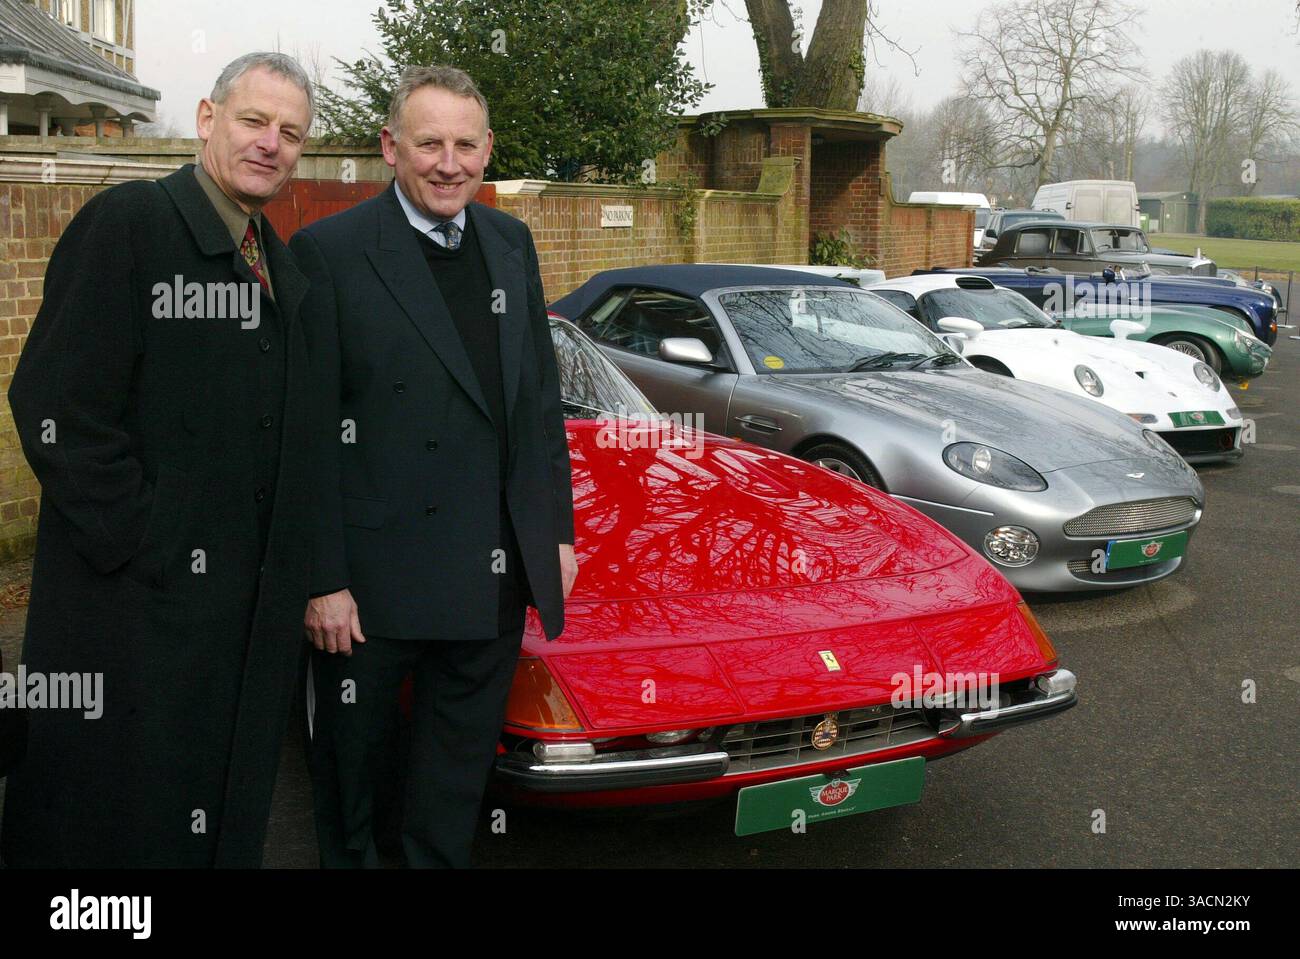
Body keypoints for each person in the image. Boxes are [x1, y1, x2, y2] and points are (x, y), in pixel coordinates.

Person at [1, 52, 316, 868]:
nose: (270, 144)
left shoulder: (278, 264)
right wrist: (150, 540)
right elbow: (54, 406)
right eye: (254, 121)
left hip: (235, 626)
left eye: (290, 133)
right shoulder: (130, 225)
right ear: (208, 119)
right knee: (116, 833)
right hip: (134, 623)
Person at [291, 64, 577, 869]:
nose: (448, 162)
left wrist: (553, 532)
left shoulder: (510, 243)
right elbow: (305, 434)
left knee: (452, 788)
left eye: (464, 144)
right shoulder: (329, 252)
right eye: (429, 144)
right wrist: (321, 578)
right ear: (391, 147)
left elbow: (538, 403)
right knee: (356, 787)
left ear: (487, 150)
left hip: (489, 579)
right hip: (369, 592)